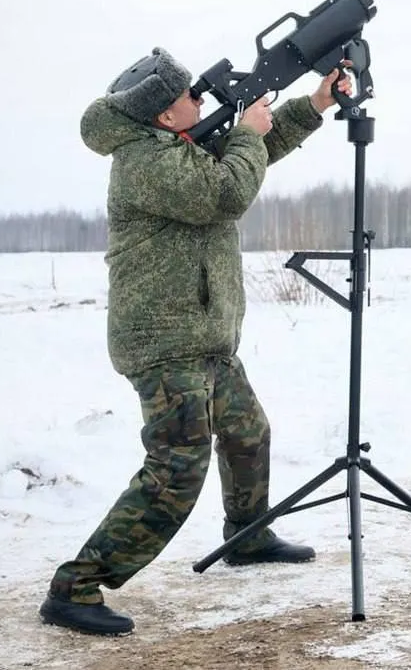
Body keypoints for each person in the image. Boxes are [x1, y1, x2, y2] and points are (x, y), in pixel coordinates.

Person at [38, 47, 350, 636]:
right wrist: (248, 134)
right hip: (165, 341)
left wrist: (313, 104)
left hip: (203, 336)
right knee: (177, 467)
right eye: (191, 97)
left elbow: (253, 152)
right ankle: (75, 586)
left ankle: (248, 536)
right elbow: (227, 190)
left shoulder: (174, 146)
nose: (201, 102)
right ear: (163, 116)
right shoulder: (143, 163)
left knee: (247, 433)